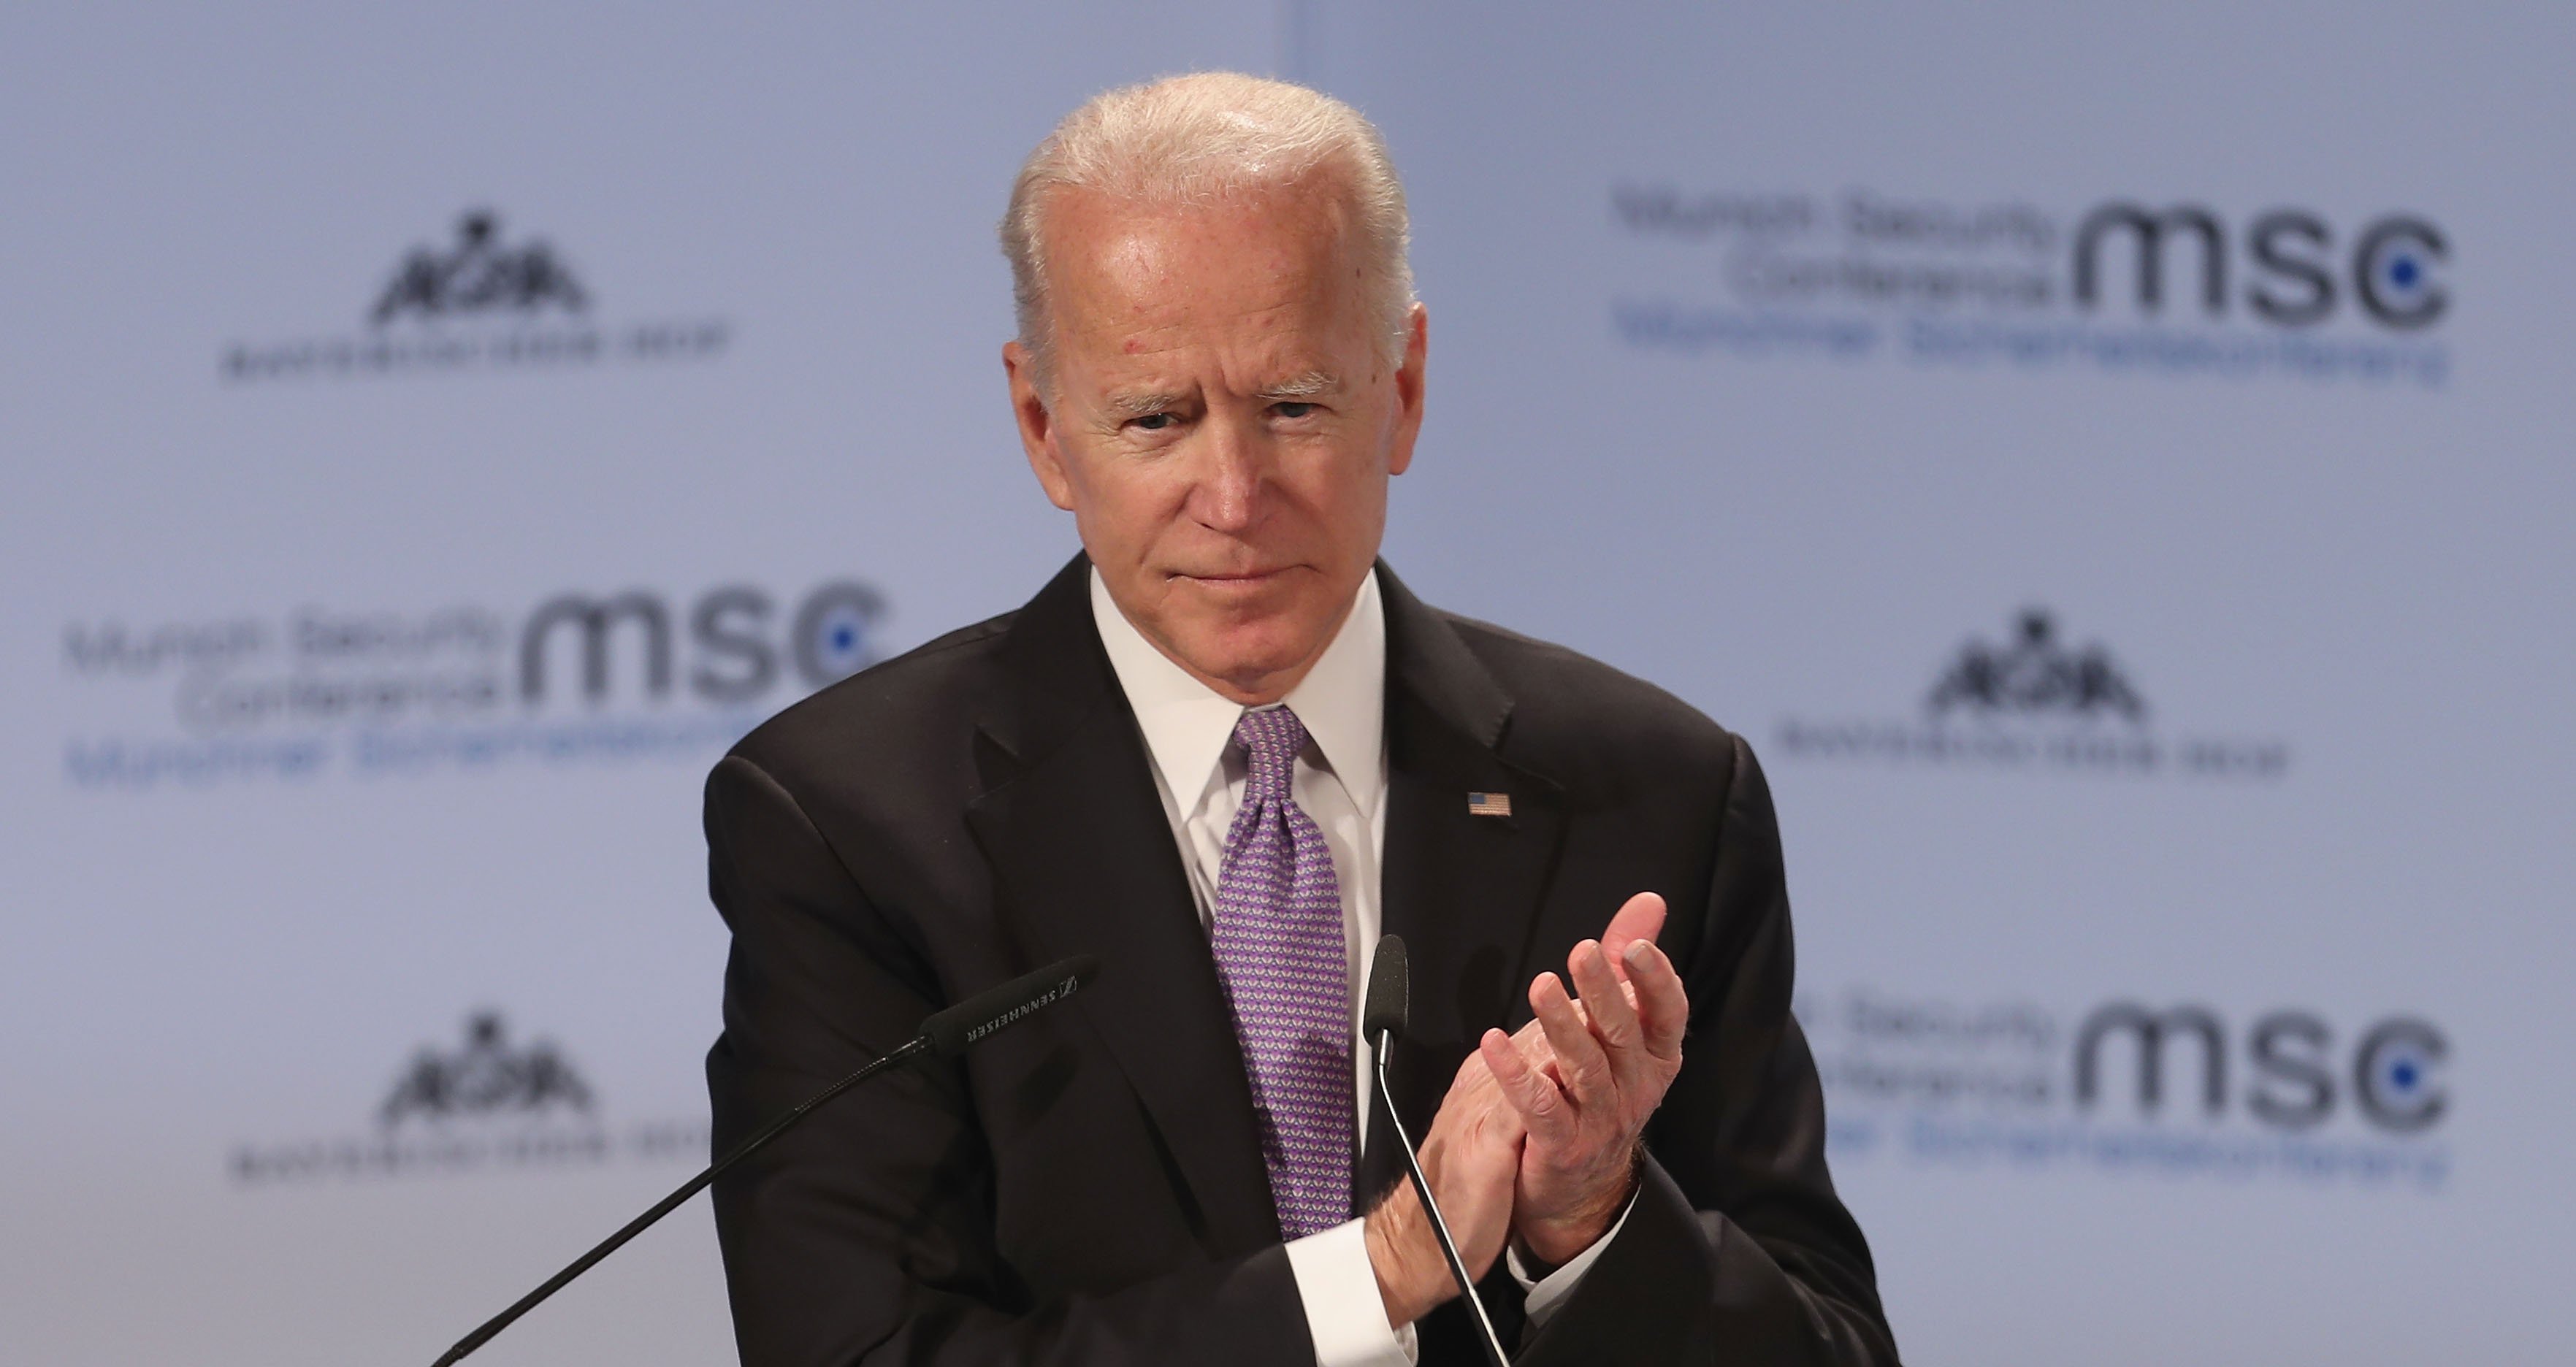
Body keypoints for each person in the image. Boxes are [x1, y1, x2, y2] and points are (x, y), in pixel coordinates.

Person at [703, 72, 1896, 1366]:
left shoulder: (1652, 794)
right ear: (1046, 429)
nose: (1234, 495)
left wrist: (1595, 1222)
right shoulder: (852, 826)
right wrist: (1384, 1270)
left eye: (1293, 408)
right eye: (1156, 419)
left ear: (1405, 388)